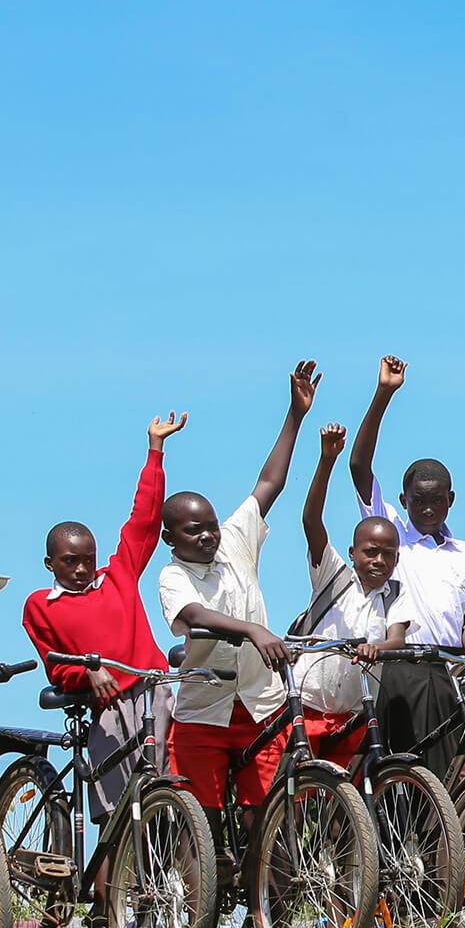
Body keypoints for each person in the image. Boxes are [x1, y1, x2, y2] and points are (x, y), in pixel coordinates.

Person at [158, 361, 311, 858]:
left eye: (209, 525)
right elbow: (194, 619)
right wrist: (251, 629)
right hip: (203, 709)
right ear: (170, 539)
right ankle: (193, 918)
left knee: (266, 824)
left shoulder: (236, 542)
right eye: (191, 530)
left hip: (260, 705)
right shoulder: (173, 576)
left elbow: (270, 483)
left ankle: (263, 920)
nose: (206, 535)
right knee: (198, 828)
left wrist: (295, 414)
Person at [22, 412, 184, 829]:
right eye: (69, 561)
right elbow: (55, 665)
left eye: (86, 560)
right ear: (50, 563)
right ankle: (105, 890)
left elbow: (144, 520)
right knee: (118, 819)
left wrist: (155, 450)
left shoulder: (118, 578)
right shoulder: (42, 604)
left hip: (154, 693)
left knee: (171, 798)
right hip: (108, 709)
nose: (80, 569)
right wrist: (88, 671)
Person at [349, 355, 465, 778]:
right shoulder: (392, 536)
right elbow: (359, 467)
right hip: (399, 666)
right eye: (418, 499)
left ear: (451, 500)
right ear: (404, 500)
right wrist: (384, 394)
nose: (428, 507)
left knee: (447, 777)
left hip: (448, 671)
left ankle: (435, 845)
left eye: (437, 499)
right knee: (396, 773)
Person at [293, 423, 406, 769]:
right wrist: (327, 461)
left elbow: (397, 640)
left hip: (354, 712)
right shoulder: (333, 574)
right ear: (352, 552)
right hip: (308, 701)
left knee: (348, 799)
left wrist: (377, 649)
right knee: (293, 789)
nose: (379, 560)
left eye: (388, 554)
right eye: (371, 552)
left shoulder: (396, 594)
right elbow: (311, 520)